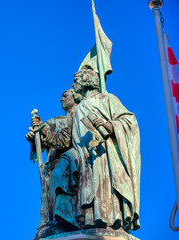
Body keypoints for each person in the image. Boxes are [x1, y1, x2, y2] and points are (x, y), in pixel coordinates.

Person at [71, 68, 140, 232]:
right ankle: (93, 218)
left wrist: (110, 126)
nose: (73, 85)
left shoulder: (107, 99)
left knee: (107, 183)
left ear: (86, 81)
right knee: (91, 187)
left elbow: (129, 120)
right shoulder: (79, 108)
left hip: (107, 153)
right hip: (86, 158)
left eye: (76, 80)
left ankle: (114, 218)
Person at [26, 89, 81, 239]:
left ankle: (65, 223)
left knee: (63, 199)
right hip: (54, 167)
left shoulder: (79, 118)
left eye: (65, 96)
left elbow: (64, 141)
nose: (61, 99)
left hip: (73, 167)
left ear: (76, 97)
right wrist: (34, 136)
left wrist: (42, 131)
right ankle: (51, 225)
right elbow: (40, 145)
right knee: (48, 204)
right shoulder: (54, 121)